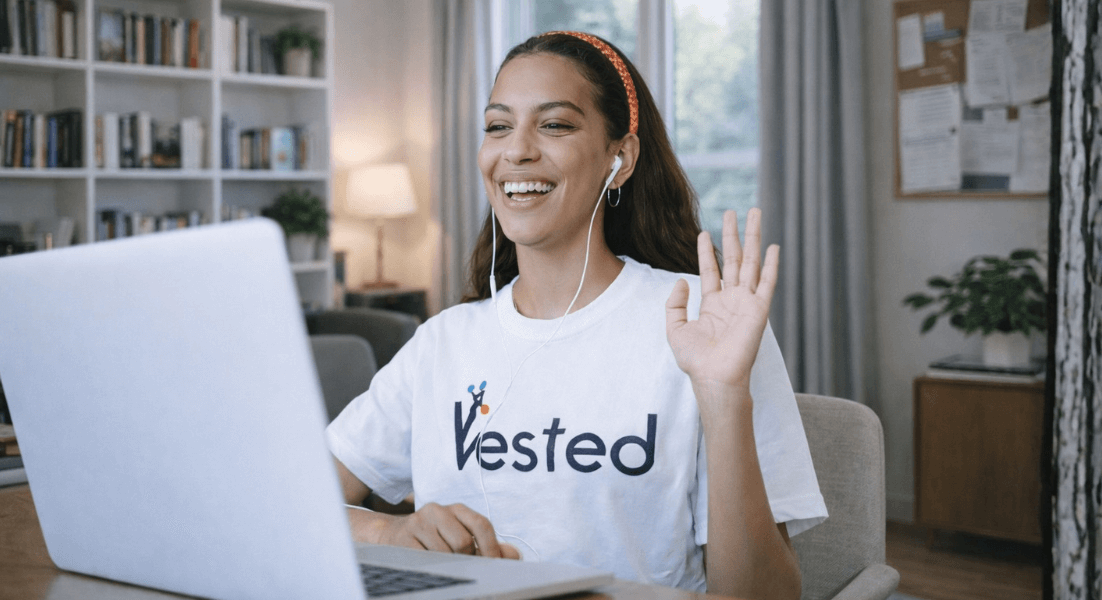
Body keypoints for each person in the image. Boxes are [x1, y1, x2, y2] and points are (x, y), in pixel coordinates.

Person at [326, 31, 827, 598]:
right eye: (497, 126)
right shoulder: (443, 341)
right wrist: (388, 531)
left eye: (554, 124)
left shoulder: (703, 322)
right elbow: (296, 499)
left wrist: (723, 396)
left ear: (620, 158)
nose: (516, 150)